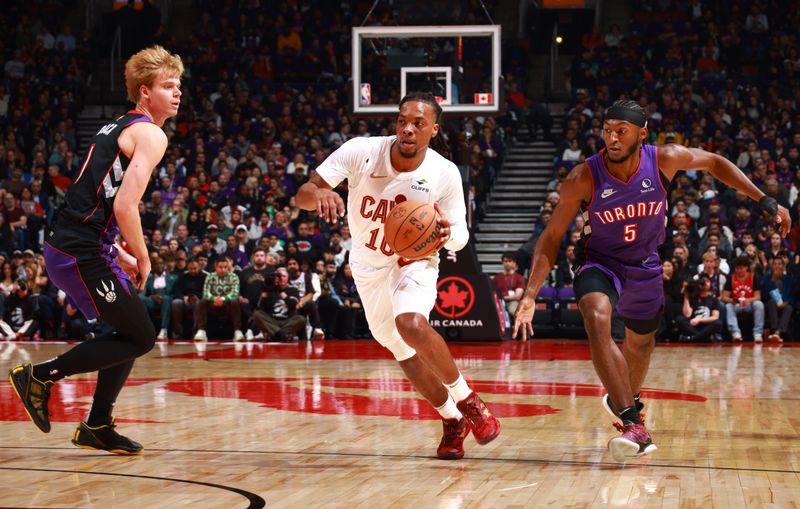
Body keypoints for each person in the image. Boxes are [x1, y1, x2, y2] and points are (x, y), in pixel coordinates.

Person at [512, 100, 791, 462]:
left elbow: (715, 162)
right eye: (607, 129)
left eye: (621, 131)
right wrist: (531, 294)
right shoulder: (584, 176)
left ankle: (624, 400)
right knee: (596, 316)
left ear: (642, 133)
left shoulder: (664, 158)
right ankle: (634, 423)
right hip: (601, 261)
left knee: (640, 346)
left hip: (645, 264)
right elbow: (550, 237)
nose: (612, 138)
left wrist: (763, 198)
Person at [296, 92, 500, 460]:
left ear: (433, 130)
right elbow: (303, 194)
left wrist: (444, 233)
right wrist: (319, 195)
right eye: (402, 120)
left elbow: (461, 235)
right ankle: (452, 419)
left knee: (410, 322)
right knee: (403, 352)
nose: (408, 128)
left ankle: (468, 400)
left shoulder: (444, 172)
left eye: (418, 123)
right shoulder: (361, 151)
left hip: (415, 260)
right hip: (368, 267)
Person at [8, 46, 184, 454]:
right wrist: (142, 256)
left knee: (126, 332)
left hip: (78, 244)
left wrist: (119, 254)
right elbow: (123, 205)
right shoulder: (151, 133)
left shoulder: (118, 125)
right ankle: (41, 376)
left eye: (179, 86)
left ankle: (98, 425)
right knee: (141, 335)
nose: (177, 94)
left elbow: (98, 200)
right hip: (78, 249)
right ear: (144, 92)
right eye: (168, 86)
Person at [193, 257, 245, 341]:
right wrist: (214, 299)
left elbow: (235, 293)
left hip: (227, 304)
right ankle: (201, 330)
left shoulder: (234, 276)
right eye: (220, 267)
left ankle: (237, 331)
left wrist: (223, 299)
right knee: (202, 301)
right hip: (213, 304)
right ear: (216, 267)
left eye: (225, 267)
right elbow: (206, 293)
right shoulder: (210, 276)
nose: (223, 270)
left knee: (234, 301)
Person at [720, 255, 764, 342]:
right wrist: (732, 300)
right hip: (736, 305)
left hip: (749, 305)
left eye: (741, 268)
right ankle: (735, 333)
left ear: (747, 267)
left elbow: (758, 297)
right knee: (729, 306)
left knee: (759, 304)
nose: (739, 270)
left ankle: (757, 334)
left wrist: (748, 300)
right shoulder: (731, 278)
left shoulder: (753, 277)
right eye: (737, 268)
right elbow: (724, 297)